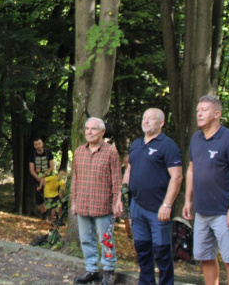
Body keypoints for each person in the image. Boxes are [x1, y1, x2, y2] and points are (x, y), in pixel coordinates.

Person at [182, 95, 229, 285]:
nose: (199, 114)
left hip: (224, 212)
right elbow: (191, 170)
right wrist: (187, 200)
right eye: (197, 110)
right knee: (206, 257)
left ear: (217, 114)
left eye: (204, 110)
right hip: (201, 211)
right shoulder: (196, 138)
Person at [123, 108, 183, 285]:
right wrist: (122, 195)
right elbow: (129, 170)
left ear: (161, 123)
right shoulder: (136, 144)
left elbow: (177, 177)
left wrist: (167, 204)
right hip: (137, 206)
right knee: (142, 249)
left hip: (159, 208)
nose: (146, 121)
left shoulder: (168, 146)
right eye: (144, 118)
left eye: (151, 119)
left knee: (162, 252)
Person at [71, 117, 123, 285]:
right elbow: (75, 178)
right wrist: (73, 201)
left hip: (103, 204)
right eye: (87, 128)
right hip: (82, 203)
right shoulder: (79, 151)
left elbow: (116, 179)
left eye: (94, 129)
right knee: (86, 238)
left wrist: (117, 201)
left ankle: (108, 270)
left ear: (102, 132)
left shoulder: (111, 152)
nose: (90, 132)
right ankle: (91, 268)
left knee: (106, 239)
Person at [29, 137, 55, 220]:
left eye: (39, 144)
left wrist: (44, 177)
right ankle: (44, 216)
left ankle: (53, 216)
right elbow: (31, 170)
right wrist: (38, 178)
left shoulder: (48, 153)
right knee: (40, 198)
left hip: (48, 178)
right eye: (35, 144)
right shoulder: (32, 155)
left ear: (42, 144)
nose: (37, 146)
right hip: (37, 179)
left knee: (51, 197)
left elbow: (51, 167)